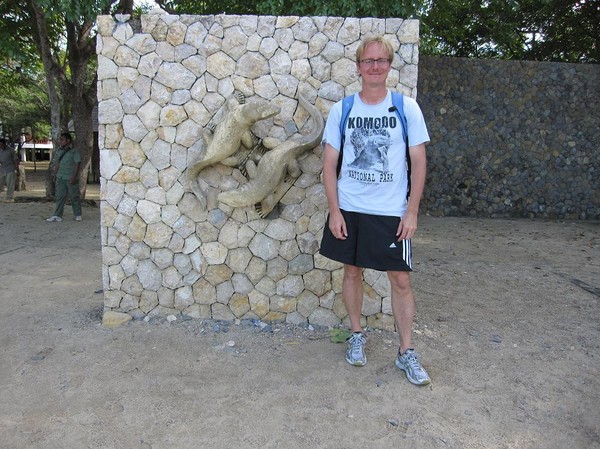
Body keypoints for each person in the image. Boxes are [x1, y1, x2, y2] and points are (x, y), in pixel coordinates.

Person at [319, 36, 431, 385]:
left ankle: (406, 351)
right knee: (352, 272)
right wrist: (334, 211)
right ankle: (356, 334)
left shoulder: (405, 107)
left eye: (382, 60)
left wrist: (411, 212)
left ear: (390, 65)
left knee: (400, 279)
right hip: (351, 207)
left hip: (389, 211)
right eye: (369, 61)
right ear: (358, 67)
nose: (375, 66)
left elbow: (419, 161)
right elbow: (329, 165)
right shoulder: (344, 110)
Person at [46, 133, 82, 222]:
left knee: (74, 196)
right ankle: (57, 215)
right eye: (60, 139)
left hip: (70, 177)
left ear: (68, 140)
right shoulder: (59, 150)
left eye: (62, 139)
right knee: (60, 196)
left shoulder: (74, 151)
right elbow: (58, 163)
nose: (60, 141)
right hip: (60, 177)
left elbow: (77, 163)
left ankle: (77, 214)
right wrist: (55, 174)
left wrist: (74, 176)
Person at [0, 138, 19, 203]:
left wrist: (17, 169)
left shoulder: (11, 150)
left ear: (5, 144)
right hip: (2, 169)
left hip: (10, 168)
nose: (1, 146)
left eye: (1, 145)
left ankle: (9, 197)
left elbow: (15, 160)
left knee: (10, 184)